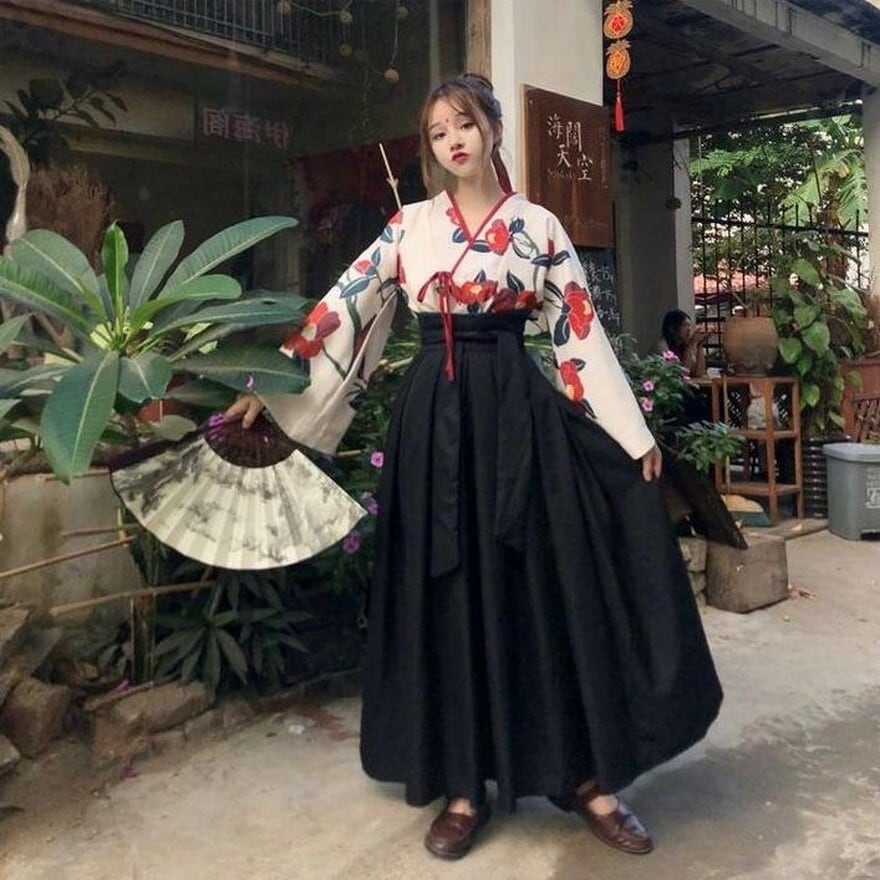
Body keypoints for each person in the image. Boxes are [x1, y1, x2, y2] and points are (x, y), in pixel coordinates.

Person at [226, 74, 722, 860]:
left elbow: (579, 334)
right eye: (437, 132)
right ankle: (463, 785)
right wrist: (272, 388)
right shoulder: (409, 227)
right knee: (449, 594)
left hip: (519, 420)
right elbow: (342, 309)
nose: (453, 141)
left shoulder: (539, 227)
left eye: (463, 123)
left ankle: (585, 779)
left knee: (545, 591)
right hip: (433, 426)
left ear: (491, 126)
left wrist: (632, 435)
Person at [659, 309, 706, 377]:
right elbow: (681, 375)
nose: (689, 329)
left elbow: (699, 373)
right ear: (672, 329)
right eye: (684, 325)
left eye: (689, 325)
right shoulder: (662, 345)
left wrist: (699, 346)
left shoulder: (682, 345)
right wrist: (691, 345)